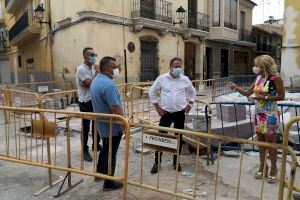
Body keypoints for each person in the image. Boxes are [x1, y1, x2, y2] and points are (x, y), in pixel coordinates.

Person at [228, 55, 285, 183]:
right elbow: (248, 93)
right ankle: (262, 166)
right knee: (260, 142)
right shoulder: (259, 78)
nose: (256, 67)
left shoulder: (276, 78)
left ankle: (274, 169)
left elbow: (282, 96)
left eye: (258, 65)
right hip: (259, 114)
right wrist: (237, 88)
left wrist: (264, 98)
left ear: (265, 65)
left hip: (270, 115)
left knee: (271, 144)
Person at [149, 57, 196, 174]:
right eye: (176, 66)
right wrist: (157, 107)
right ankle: (157, 162)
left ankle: (176, 161)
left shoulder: (185, 79)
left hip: (180, 113)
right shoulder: (162, 79)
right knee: (161, 137)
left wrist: (190, 104)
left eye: (180, 66)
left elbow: (193, 92)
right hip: (166, 113)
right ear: (170, 67)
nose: (178, 68)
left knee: (178, 137)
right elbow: (152, 92)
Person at [90, 56, 123, 190]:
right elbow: (115, 109)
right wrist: (125, 126)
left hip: (102, 125)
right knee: (111, 153)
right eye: (114, 68)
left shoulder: (96, 80)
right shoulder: (108, 85)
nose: (116, 70)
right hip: (112, 127)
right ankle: (109, 182)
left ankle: (99, 173)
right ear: (106, 68)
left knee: (106, 148)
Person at [75, 47, 101, 162]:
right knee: (86, 127)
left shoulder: (93, 68)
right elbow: (89, 84)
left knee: (97, 124)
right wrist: (97, 73)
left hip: (94, 100)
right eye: (92, 54)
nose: (94, 56)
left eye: (95, 54)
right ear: (85, 56)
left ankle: (96, 145)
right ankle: (84, 150)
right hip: (85, 102)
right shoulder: (81, 69)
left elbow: (97, 82)